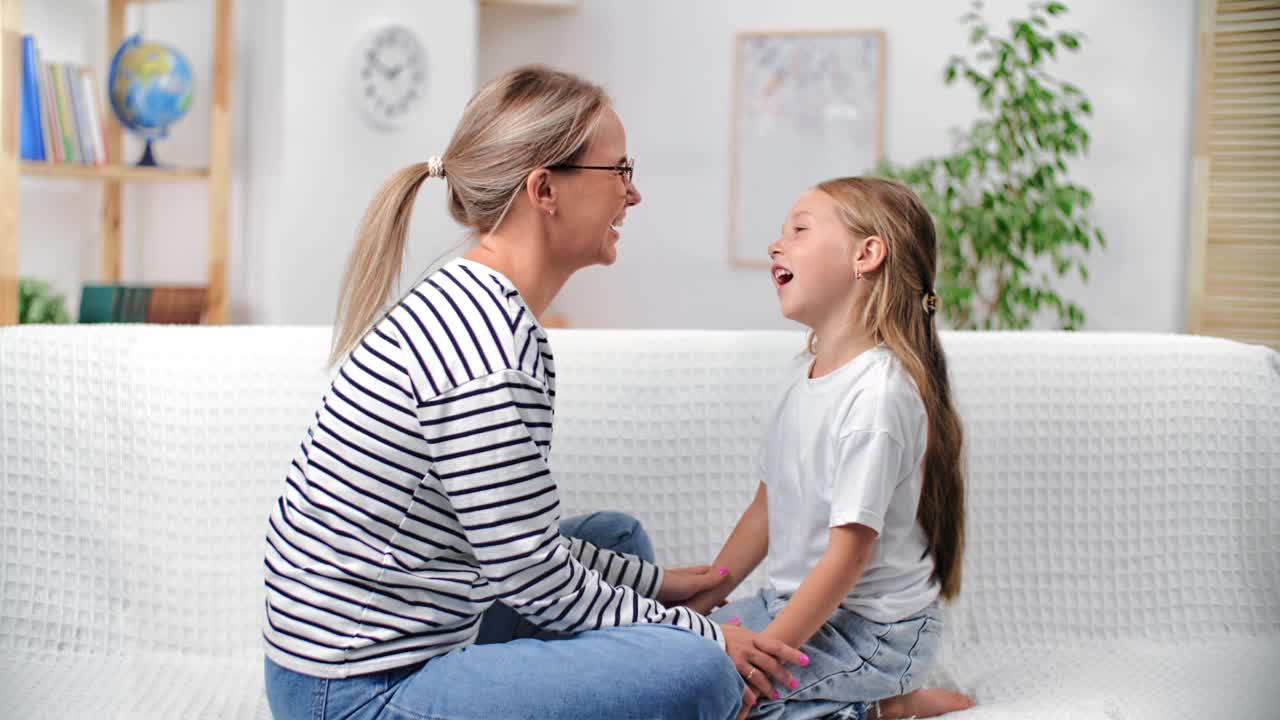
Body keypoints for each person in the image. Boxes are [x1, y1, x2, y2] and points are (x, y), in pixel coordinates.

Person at [261, 65, 805, 720]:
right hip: (356, 692)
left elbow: (517, 549)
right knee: (703, 674)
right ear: (544, 189)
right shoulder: (487, 351)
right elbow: (534, 580)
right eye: (619, 172)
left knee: (618, 540)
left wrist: (657, 588)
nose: (633, 196)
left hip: (384, 647)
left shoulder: (473, 301)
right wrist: (710, 638)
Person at [684, 178, 977, 720]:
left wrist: (760, 660)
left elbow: (847, 558)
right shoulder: (802, 377)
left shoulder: (878, 396)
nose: (777, 245)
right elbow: (765, 511)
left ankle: (886, 704)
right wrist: (703, 602)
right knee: (677, 666)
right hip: (799, 609)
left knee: (723, 704)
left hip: (873, 634)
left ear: (866, 255)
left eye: (798, 230)